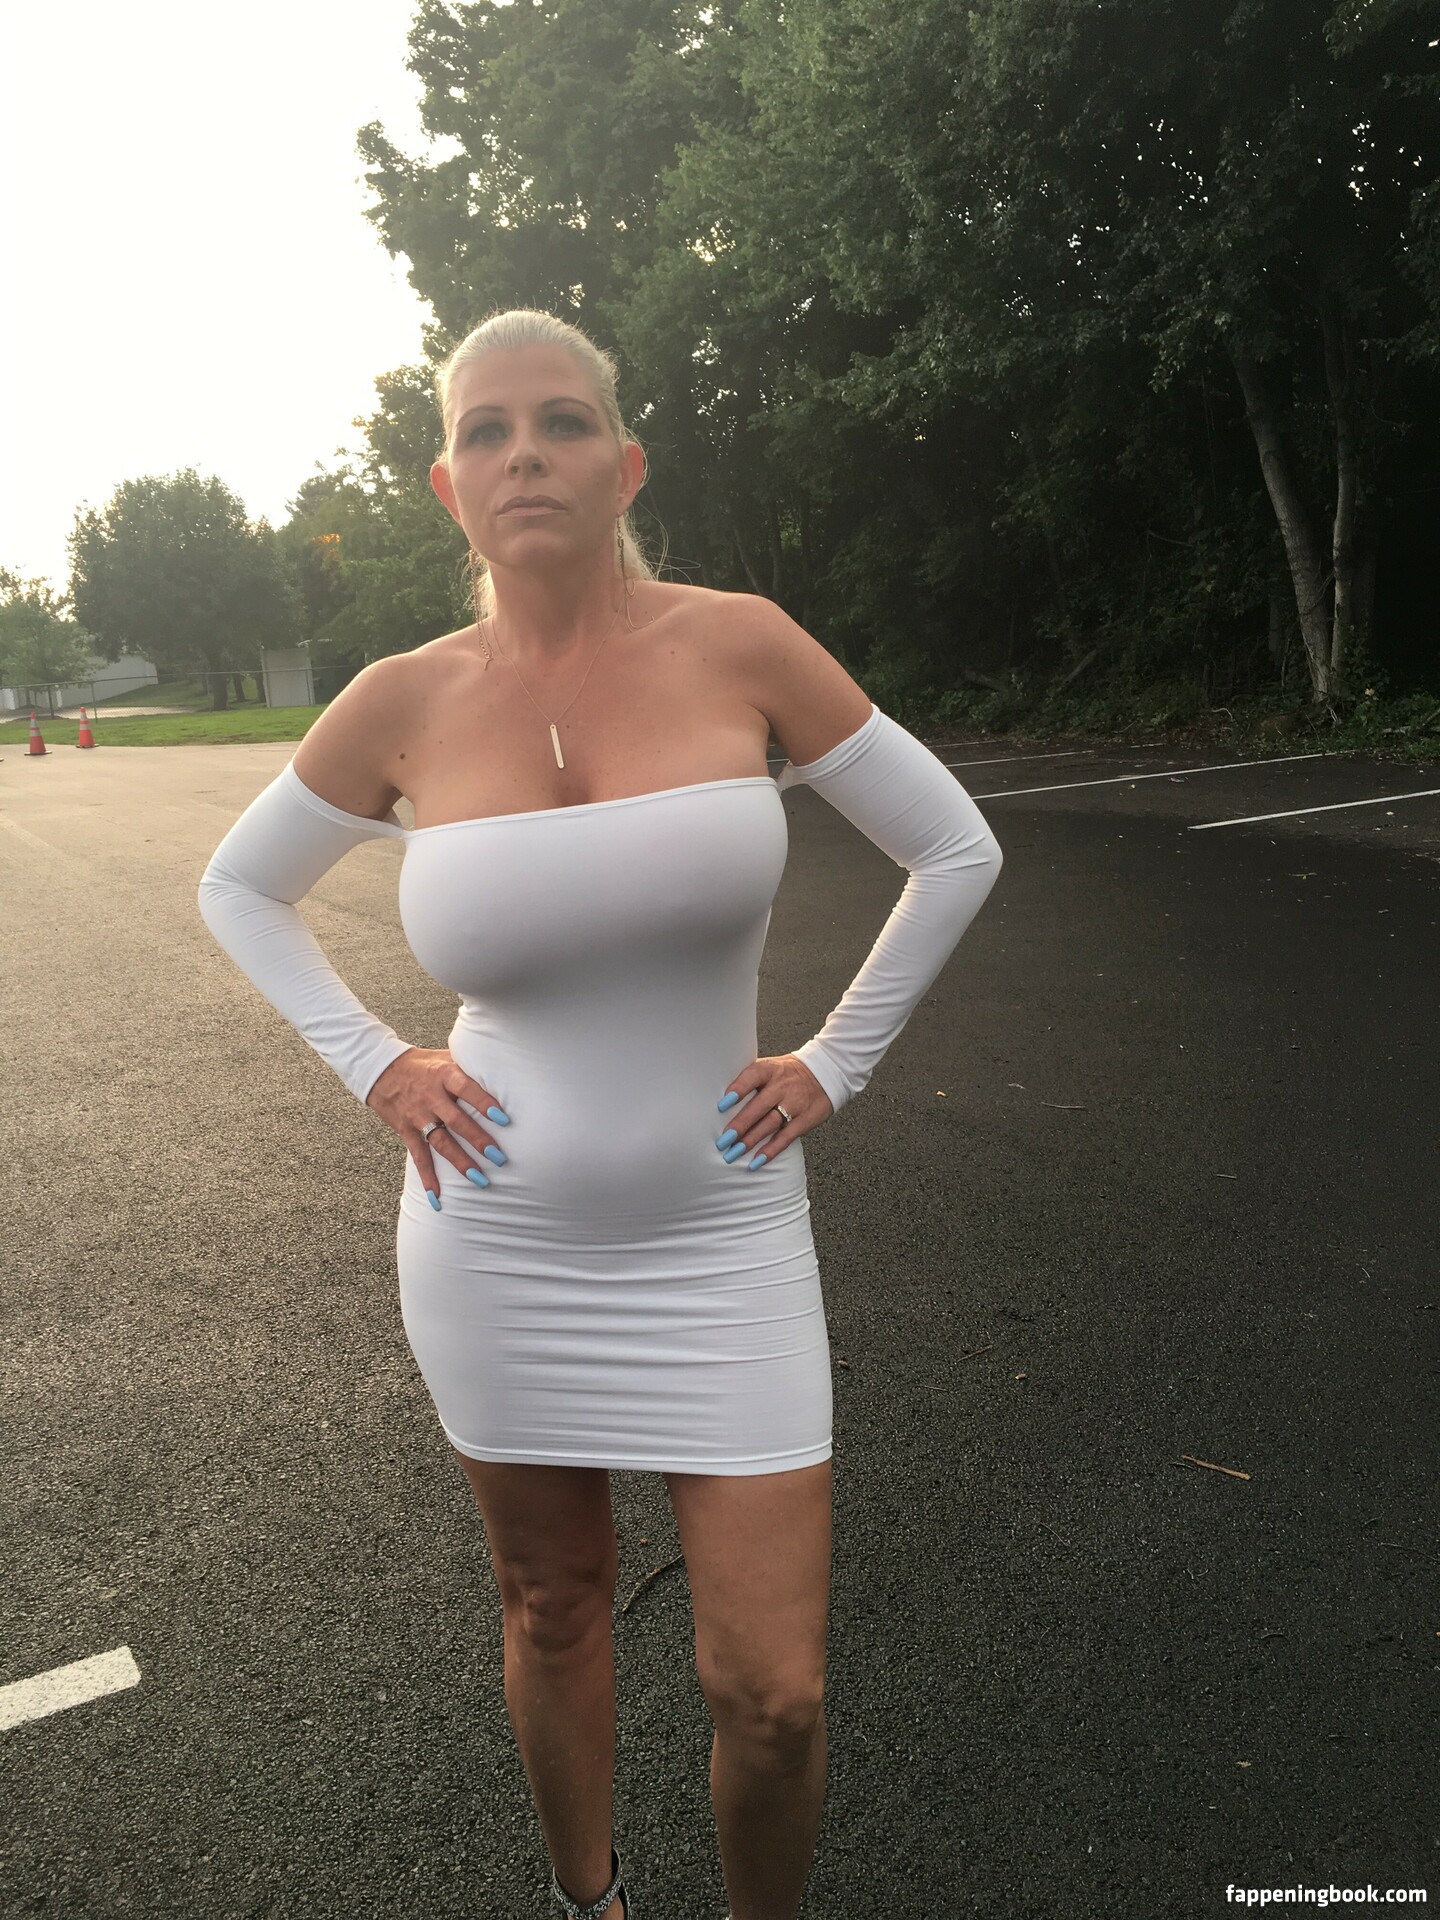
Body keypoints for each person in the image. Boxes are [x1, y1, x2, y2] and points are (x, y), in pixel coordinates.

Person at [197, 307, 1004, 1920]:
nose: (526, 455)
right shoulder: (402, 698)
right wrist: (378, 1062)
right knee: (552, 1604)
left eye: (561, 421)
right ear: (449, 486)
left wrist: (836, 1059)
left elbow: (956, 848)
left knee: (774, 1693)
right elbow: (239, 887)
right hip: (497, 1241)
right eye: (486, 431)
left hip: (724, 1233)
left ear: (624, 466)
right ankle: (592, 1904)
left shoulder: (743, 644)